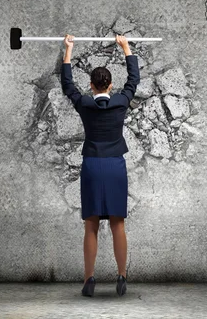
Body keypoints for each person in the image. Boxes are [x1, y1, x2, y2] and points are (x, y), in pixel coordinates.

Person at [61, 33, 140, 297]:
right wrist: (126, 47)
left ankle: (89, 280)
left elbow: (68, 85)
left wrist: (68, 50)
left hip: (93, 165)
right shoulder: (120, 102)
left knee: (91, 224)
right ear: (109, 85)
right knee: (118, 224)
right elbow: (134, 81)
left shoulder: (84, 104)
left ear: (92, 86)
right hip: (115, 166)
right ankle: (122, 276)